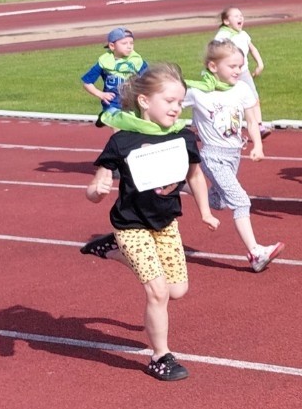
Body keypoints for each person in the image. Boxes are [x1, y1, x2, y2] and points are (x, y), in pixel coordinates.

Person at [77, 63, 219, 381]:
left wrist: (205, 211)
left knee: (177, 290)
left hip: (165, 224)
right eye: (169, 100)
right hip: (130, 224)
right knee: (158, 293)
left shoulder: (182, 137)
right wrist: (96, 191)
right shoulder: (122, 141)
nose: (176, 107)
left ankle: (111, 250)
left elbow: (195, 176)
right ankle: (160, 356)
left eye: (180, 102)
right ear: (145, 102)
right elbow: (94, 187)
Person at [183, 39, 284, 272]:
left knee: (219, 201)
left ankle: (183, 186)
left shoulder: (242, 89)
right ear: (213, 67)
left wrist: (258, 145)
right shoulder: (197, 92)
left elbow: (251, 120)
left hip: (233, 155)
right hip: (212, 156)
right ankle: (256, 253)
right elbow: (170, 103)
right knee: (241, 201)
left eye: (240, 66)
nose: (238, 71)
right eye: (232, 66)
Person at [214, 7, 270, 137]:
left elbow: (252, 49)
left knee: (254, 98)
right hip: (227, 75)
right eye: (236, 16)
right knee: (223, 100)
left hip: (243, 72)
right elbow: (215, 54)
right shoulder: (222, 36)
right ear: (226, 21)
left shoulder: (243, 35)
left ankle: (259, 126)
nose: (240, 18)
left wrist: (260, 64)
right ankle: (214, 126)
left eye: (241, 16)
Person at [81, 27, 146, 127]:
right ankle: (106, 116)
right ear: (112, 46)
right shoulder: (104, 62)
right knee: (120, 129)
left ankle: (104, 118)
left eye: (131, 43)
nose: (129, 47)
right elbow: (87, 82)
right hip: (113, 103)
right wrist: (100, 94)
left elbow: (151, 79)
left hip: (133, 103)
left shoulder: (137, 61)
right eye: (124, 43)